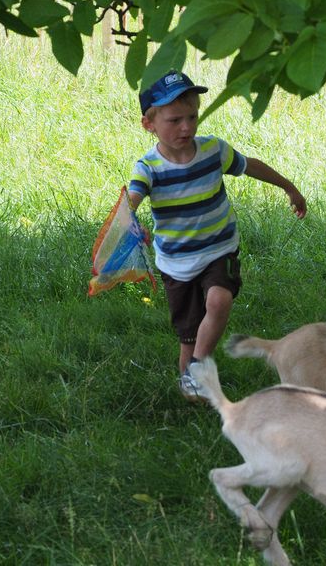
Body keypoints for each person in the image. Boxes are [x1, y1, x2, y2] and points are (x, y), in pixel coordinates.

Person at [128, 70, 306, 401]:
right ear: (149, 124)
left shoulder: (212, 151)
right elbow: (133, 198)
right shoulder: (149, 168)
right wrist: (127, 219)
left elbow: (249, 165)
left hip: (219, 249)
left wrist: (288, 186)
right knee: (189, 335)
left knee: (220, 299)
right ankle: (191, 386)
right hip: (176, 263)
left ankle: (198, 367)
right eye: (174, 120)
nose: (186, 127)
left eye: (192, 116)